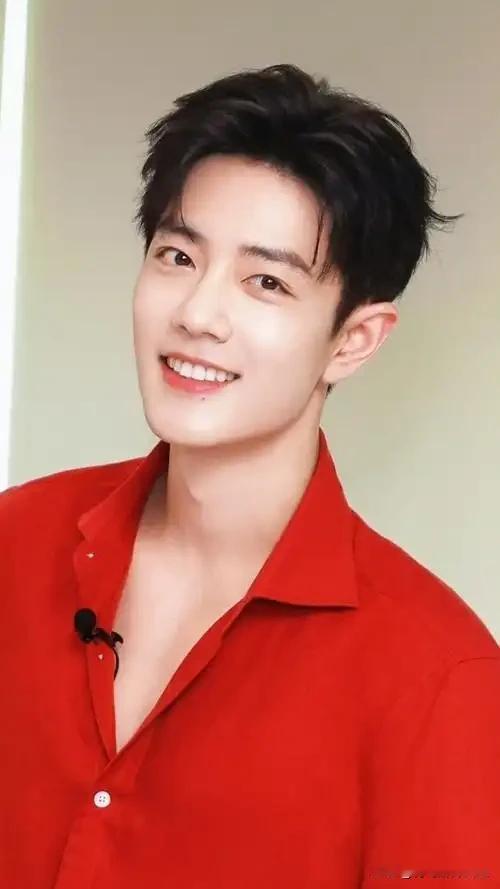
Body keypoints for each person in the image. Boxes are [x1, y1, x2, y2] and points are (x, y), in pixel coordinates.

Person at [1, 63, 499, 889]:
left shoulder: (439, 677)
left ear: (355, 340)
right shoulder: (15, 543)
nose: (197, 314)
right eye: (177, 255)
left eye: (266, 281)